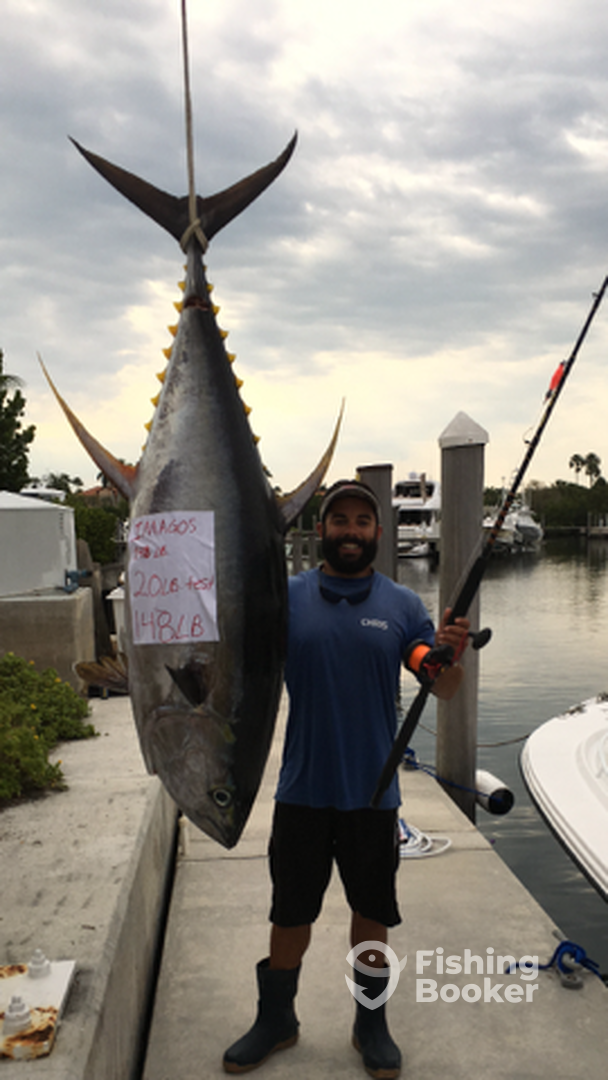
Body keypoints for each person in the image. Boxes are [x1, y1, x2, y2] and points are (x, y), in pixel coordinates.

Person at [223, 479, 470, 1078]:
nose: (351, 531)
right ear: (322, 530)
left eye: (362, 521)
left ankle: (371, 1022)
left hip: (373, 794)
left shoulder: (402, 606)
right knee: (290, 913)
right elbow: (242, 654)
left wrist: (447, 657)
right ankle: (276, 1019)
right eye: (340, 520)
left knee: (372, 913)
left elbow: (438, 683)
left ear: (379, 533)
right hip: (302, 789)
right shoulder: (287, 598)